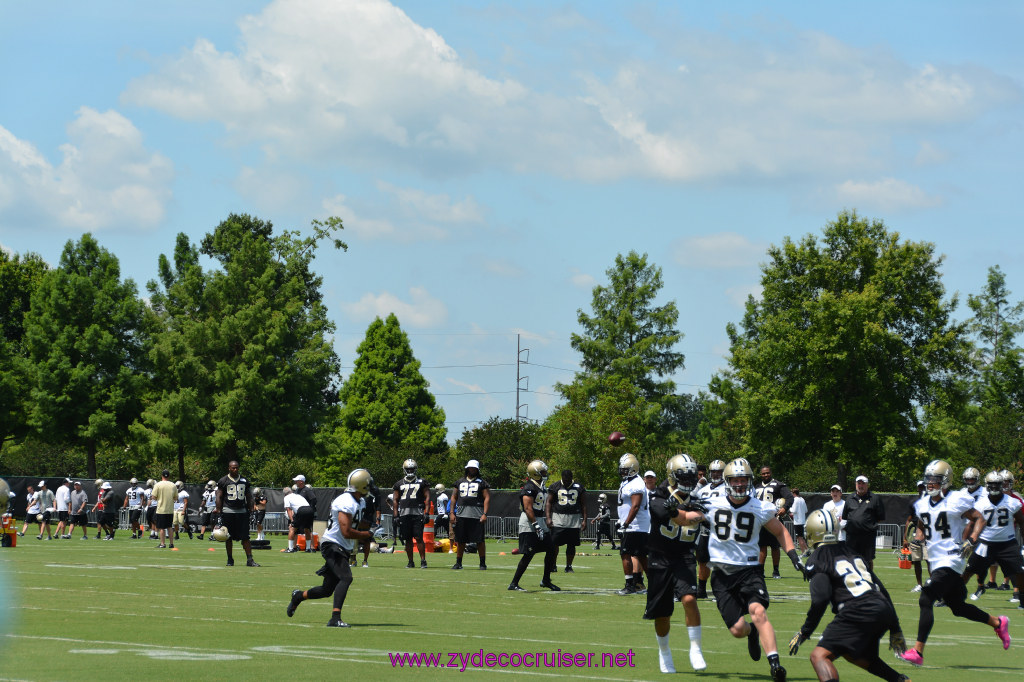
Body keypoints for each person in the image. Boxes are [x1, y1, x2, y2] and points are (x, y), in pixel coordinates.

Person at [898, 459, 1010, 667]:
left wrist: (973, 538)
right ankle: (998, 622)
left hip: (952, 558)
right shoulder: (922, 503)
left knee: (926, 597)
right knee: (957, 607)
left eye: (935, 480)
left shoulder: (957, 499)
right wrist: (917, 539)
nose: (930, 483)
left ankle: (918, 652)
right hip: (936, 559)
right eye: (929, 479)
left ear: (946, 480)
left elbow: (979, 518)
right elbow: (922, 525)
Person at [706, 458, 804, 682]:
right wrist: (674, 511)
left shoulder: (759, 507)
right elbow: (687, 517)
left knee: (758, 612)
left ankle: (775, 664)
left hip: (750, 569)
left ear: (750, 481)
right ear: (727, 482)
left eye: (743, 480)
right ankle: (752, 632)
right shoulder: (711, 501)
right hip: (721, 572)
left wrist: (794, 557)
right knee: (738, 630)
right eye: (735, 480)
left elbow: (780, 532)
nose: (739, 484)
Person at [788, 509, 910, 682]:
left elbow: (820, 599)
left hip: (856, 610)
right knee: (856, 654)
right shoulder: (851, 552)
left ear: (811, 533)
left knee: (819, 656)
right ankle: (901, 680)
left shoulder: (818, 558)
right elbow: (881, 590)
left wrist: (805, 631)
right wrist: (895, 628)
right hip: (882, 608)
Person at [286, 469, 374, 627]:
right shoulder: (346, 500)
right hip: (332, 544)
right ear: (361, 485)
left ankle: (298, 596)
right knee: (346, 578)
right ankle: (335, 618)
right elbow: (346, 531)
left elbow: (355, 524)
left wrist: (370, 527)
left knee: (326, 590)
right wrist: (366, 534)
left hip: (342, 546)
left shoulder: (359, 501)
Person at [644, 454, 707, 673]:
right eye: (683, 476)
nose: (689, 480)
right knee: (663, 613)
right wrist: (696, 514)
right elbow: (670, 514)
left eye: (691, 476)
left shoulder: (700, 496)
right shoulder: (659, 495)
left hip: (684, 557)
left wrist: (697, 513)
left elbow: (704, 513)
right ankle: (664, 652)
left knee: (690, 598)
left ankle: (695, 648)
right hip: (660, 558)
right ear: (672, 476)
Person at [966, 471, 1024, 605]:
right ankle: (953, 597)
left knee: (1020, 571)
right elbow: (972, 523)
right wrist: (967, 540)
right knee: (969, 570)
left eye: (997, 484)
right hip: (986, 542)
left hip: (1007, 543)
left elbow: (1021, 521)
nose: (994, 487)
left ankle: (1021, 597)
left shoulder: (1012, 502)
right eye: (991, 484)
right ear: (987, 485)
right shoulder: (980, 503)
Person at [508, 460, 560, 592]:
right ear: (535, 473)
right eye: (542, 472)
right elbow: (528, 508)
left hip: (539, 520)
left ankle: (546, 580)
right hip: (529, 523)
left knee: (552, 548)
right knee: (529, 554)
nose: (545, 474)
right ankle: (513, 583)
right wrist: (536, 526)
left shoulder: (540, 486)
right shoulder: (529, 488)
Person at [616, 453, 650, 595]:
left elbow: (635, 506)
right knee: (641, 555)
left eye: (625, 469)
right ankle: (656, 583)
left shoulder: (636, 483)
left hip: (634, 525)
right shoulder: (628, 481)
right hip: (636, 525)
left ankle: (629, 585)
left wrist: (625, 524)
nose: (622, 471)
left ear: (633, 469)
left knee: (625, 553)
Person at [215, 460, 259, 567]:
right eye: (233, 468)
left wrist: (252, 511)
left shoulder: (244, 480)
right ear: (229, 468)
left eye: (237, 467)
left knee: (245, 537)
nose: (235, 469)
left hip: (242, 511)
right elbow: (219, 497)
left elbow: (249, 496)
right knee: (228, 537)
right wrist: (219, 513)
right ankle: (230, 559)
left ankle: (250, 559)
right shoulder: (223, 480)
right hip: (228, 511)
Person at [695, 459, 728, 599]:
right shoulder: (703, 490)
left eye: (718, 472)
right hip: (705, 530)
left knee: (721, 561)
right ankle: (701, 589)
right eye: (713, 471)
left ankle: (722, 589)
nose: (715, 474)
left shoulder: (728, 489)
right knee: (703, 561)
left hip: (721, 531)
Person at [450, 459, 490, 570]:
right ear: (467, 468)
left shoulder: (482, 483)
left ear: (477, 469)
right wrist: (452, 513)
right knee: (461, 540)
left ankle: (482, 563)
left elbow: (487, 498)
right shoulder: (459, 482)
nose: (472, 469)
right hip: (461, 514)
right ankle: (458, 562)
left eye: (474, 468)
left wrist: (484, 513)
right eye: (470, 467)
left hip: (476, 515)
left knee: (479, 541)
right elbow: (454, 497)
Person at [754, 466, 793, 579]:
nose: (766, 475)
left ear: (771, 473)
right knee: (762, 546)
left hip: (774, 519)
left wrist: (785, 508)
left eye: (767, 473)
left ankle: (776, 571)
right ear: (760, 475)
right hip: (760, 521)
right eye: (763, 474)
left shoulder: (778, 485)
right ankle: (760, 570)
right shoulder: (756, 487)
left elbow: (790, 497)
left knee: (775, 546)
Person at [546, 469, 587, 572]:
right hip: (558, 517)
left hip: (574, 518)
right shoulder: (555, 486)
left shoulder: (579, 487)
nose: (566, 482)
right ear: (562, 478)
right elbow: (549, 502)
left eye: (568, 480)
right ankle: (553, 565)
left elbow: (583, 504)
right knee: (554, 543)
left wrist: (584, 520)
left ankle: (569, 566)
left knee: (571, 544)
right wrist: (548, 517)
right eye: (565, 480)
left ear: (572, 478)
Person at [842, 475, 885, 572]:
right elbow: (845, 516)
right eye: (859, 483)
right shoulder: (849, 498)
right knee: (851, 559)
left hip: (867, 536)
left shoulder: (874, 498)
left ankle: (870, 580)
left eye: (863, 483)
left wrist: (867, 524)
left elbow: (880, 517)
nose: (860, 486)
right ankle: (853, 581)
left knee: (867, 560)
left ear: (867, 485)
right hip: (852, 536)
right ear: (855, 484)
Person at [393, 458, 430, 569]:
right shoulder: (399, 483)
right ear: (404, 470)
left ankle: (423, 560)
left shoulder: (422, 482)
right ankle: (410, 561)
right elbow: (395, 500)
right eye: (408, 469)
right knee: (407, 539)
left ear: (415, 469)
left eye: (412, 469)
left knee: (418, 537)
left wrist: (426, 512)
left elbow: (427, 497)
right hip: (404, 514)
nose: (410, 471)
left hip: (417, 513)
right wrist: (396, 515)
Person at [902, 480, 927, 593]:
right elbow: (909, 520)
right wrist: (905, 537)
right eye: (920, 487)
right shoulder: (914, 503)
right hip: (916, 535)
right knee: (916, 561)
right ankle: (919, 584)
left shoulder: (931, 501)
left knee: (929, 560)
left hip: (928, 536)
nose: (922, 489)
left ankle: (933, 582)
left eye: (923, 487)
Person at [354, 478, 382, 567]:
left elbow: (377, 505)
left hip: (368, 516)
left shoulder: (374, 490)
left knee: (367, 539)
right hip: (357, 515)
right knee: (354, 538)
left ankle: (365, 560)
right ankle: (353, 559)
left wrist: (378, 518)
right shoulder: (355, 487)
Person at [283, 484, 314, 553]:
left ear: (285, 494)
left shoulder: (286, 497)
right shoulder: (298, 495)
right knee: (307, 529)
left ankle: (290, 549)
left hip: (301, 510)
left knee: (292, 528)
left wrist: (292, 520)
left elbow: (288, 510)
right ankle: (308, 548)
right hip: (310, 509)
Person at [151, 471, 177, 548]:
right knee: (169, 527)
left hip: (161, 509)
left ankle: (162, 544)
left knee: (162, 528)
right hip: (170, 509)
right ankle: (171, 544)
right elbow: (175, 498)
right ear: (169, 476)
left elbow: (154, 497)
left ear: (162, 476)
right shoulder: (173, 485)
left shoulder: (158, 485)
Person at [790, 488, 808, 555]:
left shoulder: (795, 500)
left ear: (794, 493)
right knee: (802, 537)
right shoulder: (802, 499)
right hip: (803, 521)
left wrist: (789, 508)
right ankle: (807, 551)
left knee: (799, 538)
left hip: (797, 522)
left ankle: (803, 552)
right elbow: (806, 510)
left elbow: (793, 510)